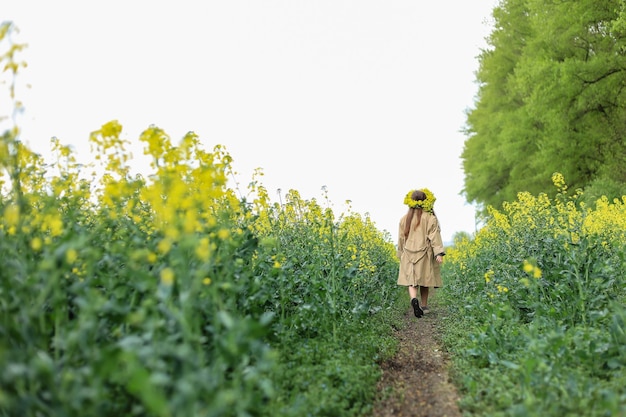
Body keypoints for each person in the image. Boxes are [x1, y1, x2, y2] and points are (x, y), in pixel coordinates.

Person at [397, 188, 445, 318]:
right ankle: (423, 306)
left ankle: (413, 299)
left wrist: (400, 253)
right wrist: (438, 253)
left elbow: (401, 238)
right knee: (425, 280)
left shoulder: (404, 219)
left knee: (411, 281)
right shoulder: (430, 218)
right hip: (424, 254)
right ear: (425, 202)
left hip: (408, 254)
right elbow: (434, 236)